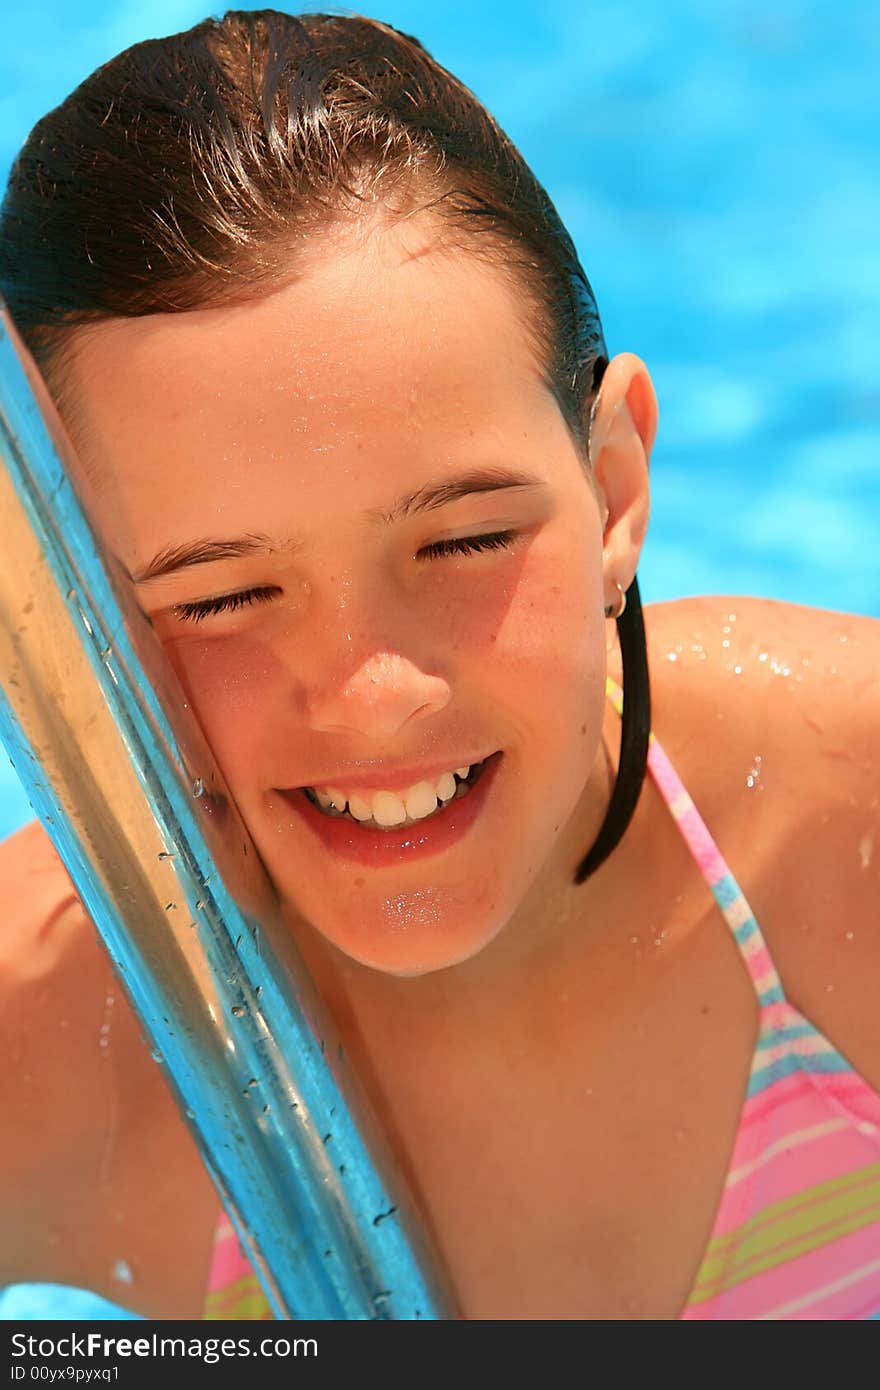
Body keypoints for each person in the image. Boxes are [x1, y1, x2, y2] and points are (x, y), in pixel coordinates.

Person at [0, 9, 877, 1322]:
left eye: (465, 538)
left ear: (614, 486)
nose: (374, 695)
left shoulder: (845, 830)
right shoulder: (60, 1047)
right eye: (225, 592)